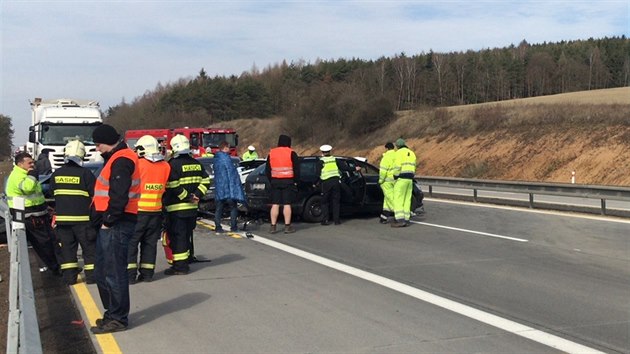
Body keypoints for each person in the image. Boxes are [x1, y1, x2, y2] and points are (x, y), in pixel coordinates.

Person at [90, 124, 141, 334]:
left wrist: (109, 220)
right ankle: (113, 313)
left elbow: (119, 195)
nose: (97, 148)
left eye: (98, 144)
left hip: (117, 224)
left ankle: (118, 318)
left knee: (113, 272)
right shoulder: (117, 157)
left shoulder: (121, 159)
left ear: (107, 141)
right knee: (103, 271)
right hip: (114, 223)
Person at [5, 152, 60, 275]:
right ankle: (56, 268)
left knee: (52, 240)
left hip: (39, 213)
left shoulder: (26, 174)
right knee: (44, 243)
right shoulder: (18, 176)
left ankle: (60, 266)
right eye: (29, 163)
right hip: (30, 216)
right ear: (20, 164)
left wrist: (46, 206)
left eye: (33, 162)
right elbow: (27, 188)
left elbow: (36, 194)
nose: (33, 165)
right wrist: (32, 175)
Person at [50, 140, 97, 285]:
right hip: (83, 221)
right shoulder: (86, 174)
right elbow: (95, 195)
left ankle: (70, 279)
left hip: (63, 222)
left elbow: (53, 193)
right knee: (89, 250)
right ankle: (91, 277)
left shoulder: (56, 174)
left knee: (67, 251)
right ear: (82, 155)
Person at [163, 134, 210, 274]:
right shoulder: (197, 163)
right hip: (192, 208)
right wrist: (197, 195)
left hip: (177, 208)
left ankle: (180, 267)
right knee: (186, 235)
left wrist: (186, 197)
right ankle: (185, 260)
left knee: (178, 237)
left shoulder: (172, 164)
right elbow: (206, 180)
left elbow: (172, 184)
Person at [127, 135, 170, 284]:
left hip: (138, 211)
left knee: (131, 243)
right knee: (150, 244)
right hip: (156, 212)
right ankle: (147, 274)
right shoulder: (166, 166)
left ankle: (129, 276)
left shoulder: (137, 165)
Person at [315, 144, 360, 225]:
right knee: (336, 201)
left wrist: (316, 183)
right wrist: (354, 168)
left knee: (324, 201)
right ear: (330, 151)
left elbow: (317, 174)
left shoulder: (321, 161)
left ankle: (325, 220)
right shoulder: (334, 160)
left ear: (322, 152)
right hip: (336, 182)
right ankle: (337, 220)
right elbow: (344, 168)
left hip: (326, 183)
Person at [265, 134, 299, 234]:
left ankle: (273, 226)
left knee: (275, 204)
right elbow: (297, 169)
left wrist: (271, 180)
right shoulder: (291, 153)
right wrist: (296, 181)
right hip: (288, 182)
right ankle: (287, 226)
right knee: (287, 204)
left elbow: (267, 170)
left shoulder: (272, 153)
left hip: (275, 181)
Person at [213, 141, 246, 233]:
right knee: (233, 207)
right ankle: (233, 227)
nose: (229, 150)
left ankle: (218, 227)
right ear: (225, 148)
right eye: (228, 148)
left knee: (219, 208)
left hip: (220, 188)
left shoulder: (216, 159)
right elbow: (231, 174)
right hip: (228, 188)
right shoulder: (227, 159)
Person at [391, 138, 417, 228]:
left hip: (401, 178)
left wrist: (395, 175)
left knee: (398, 199)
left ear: (397, 146)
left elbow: (397, 166)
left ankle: (400, 220)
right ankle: (406, 219)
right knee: (407, 199)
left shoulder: (398, 153)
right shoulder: (412, 153)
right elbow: (414, 166)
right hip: (410, 179)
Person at [378, 142, 396, 224]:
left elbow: (383, 171)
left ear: (386, 148)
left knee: (390, 198)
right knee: (387, 199)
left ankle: (399, 214)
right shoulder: (397, 156)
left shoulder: (386, 157)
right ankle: (384, 217)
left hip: (387, 181)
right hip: (395, 180)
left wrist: (380, 181)